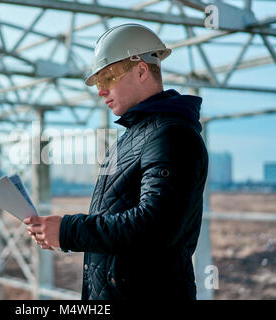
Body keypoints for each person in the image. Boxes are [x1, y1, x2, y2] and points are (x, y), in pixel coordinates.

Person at [24, 23, 208, 300]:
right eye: (98, 82)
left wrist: (68, 231)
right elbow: (116, 219)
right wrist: (63, 234)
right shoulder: (134, 137)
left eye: (108, 77)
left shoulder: (172, 135)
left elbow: (155, 227)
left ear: (142, 70)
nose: (100, 90)